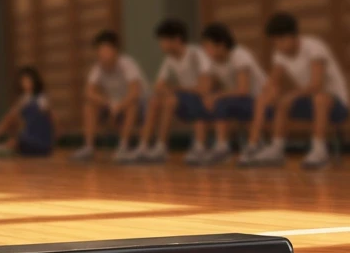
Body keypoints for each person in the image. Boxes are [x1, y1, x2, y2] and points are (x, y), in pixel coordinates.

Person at [243, 12, 349, 169]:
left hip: (335, 104)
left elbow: (317, 84)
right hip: (309, 103)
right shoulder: (280, 54)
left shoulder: (314, 48)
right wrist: (270, 92)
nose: (278, 46)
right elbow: (273, 80)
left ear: (293, 36)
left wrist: (291, 95)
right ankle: (275, 148)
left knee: (319, 98)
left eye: (281, 40)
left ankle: (320, 150)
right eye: (275, 42)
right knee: (278, 100)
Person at [135, 19, 213, 164]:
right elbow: (158, 86)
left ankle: (164, 146)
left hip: (202, 99)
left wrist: (173, 89)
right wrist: (168, 91)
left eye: (163, 40)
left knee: (170, 100)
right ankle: (144, 146)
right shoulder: (169, 60)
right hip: (184, 99)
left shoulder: (196, 54)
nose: (161, 45)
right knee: (155, 101)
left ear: (176, 40)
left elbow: (204, 89)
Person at [74, 30, 147, 162]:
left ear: (115, 50)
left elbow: (135, 92)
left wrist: (120, 105)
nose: (103, 54)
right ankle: (89, 146)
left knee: (132, 105)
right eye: (100, 50)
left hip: (134, 106)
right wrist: (108, 103)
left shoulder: (127, 64)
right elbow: (88, 92)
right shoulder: (97, 68)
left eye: (106, 49)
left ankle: (123, 146)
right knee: (89, 106)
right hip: (113, 105)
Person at [200, 22, 267, 164]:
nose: (206, 51)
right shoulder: (214, 62)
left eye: (209, 46)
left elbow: (243, 90)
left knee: (220, 102)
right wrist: (208, 97)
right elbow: (210, 87)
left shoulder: (239, 55)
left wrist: (216, 96)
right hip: (241, 101)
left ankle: (225, 146)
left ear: (221, 45)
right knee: (213, 102)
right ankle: (219, 145)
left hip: (258, 100)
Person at [0, 66, 56, 157]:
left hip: (39, 143)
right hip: (30, 141)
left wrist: (51, 141)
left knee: (14, 141)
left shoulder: (41, 100)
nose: (25, 83)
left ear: (35, 81)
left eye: (28, 80)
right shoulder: (24, 99)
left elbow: (51, 121)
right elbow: (9, 119)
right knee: (13, 139)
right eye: (23, 81)